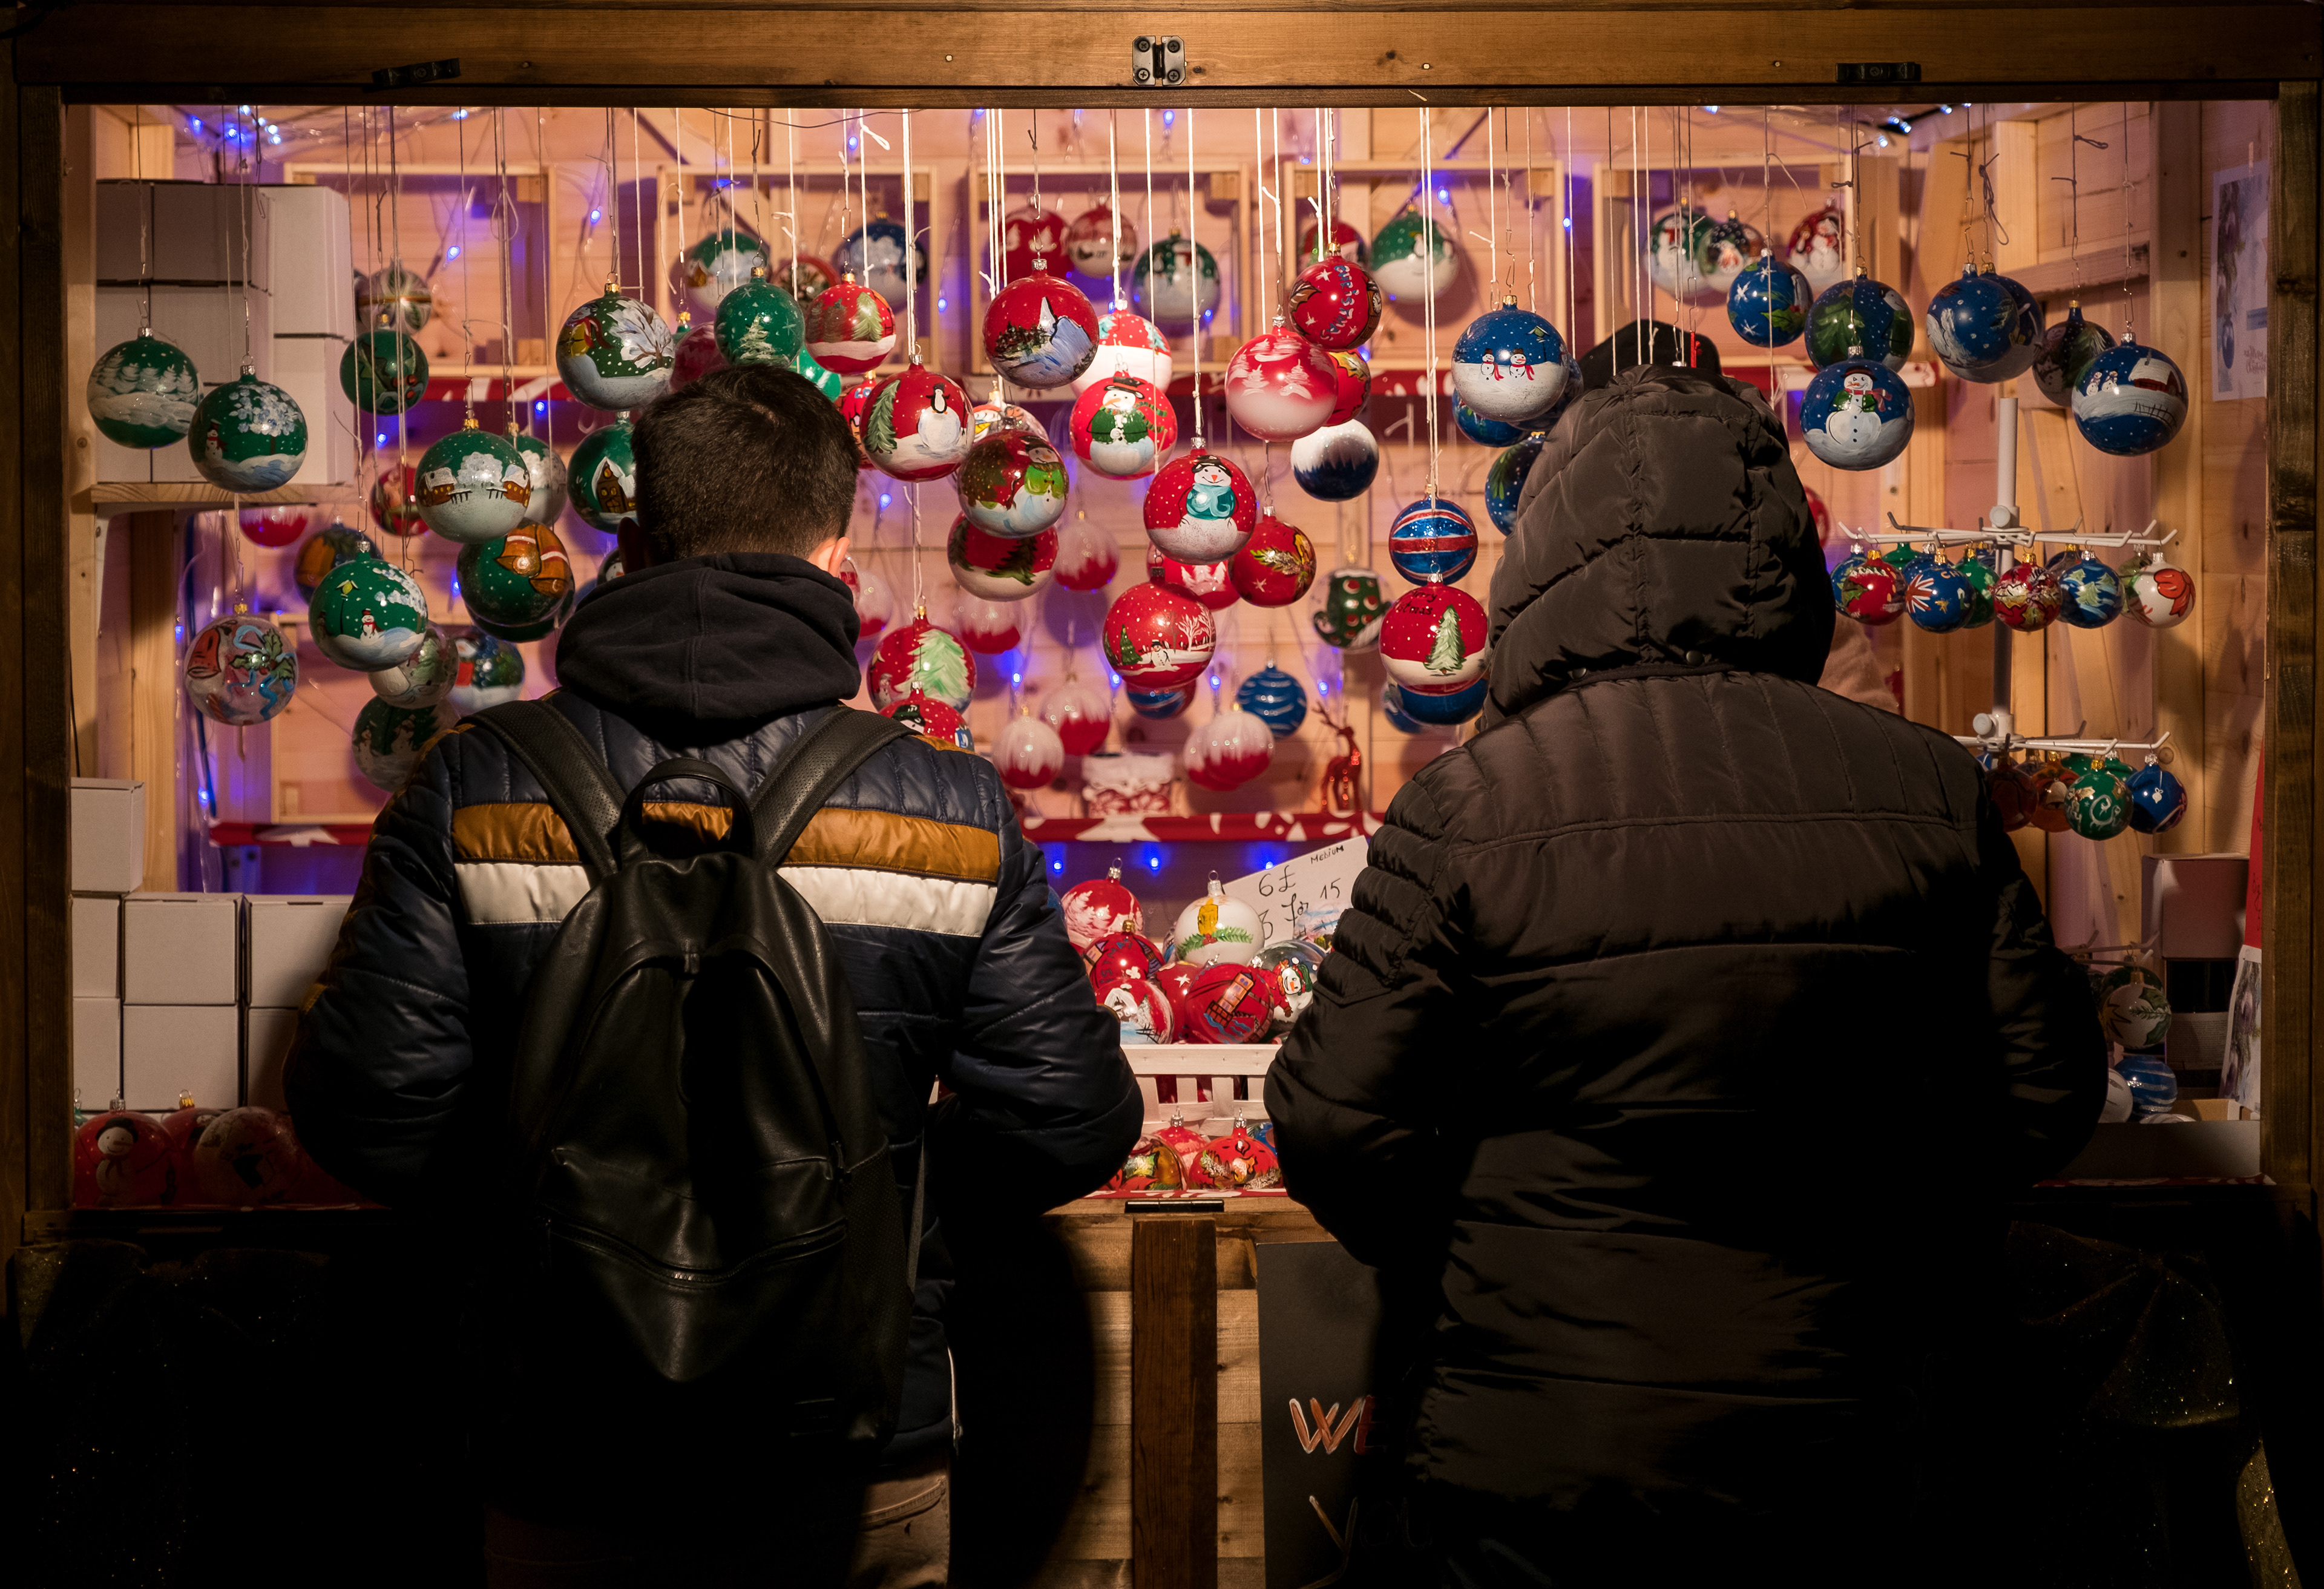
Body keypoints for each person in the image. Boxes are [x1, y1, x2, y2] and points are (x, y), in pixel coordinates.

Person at [285, 364, 1143, 1586]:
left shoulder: (473, 784)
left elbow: (367, 1106)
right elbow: (1070, 1116)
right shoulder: (948, 806)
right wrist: (878, 1192)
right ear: (836, 560)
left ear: (634, 540)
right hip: (851, 1435)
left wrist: (555, 1195)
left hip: (566, 1429)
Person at [1265, 364, 2106, 1585]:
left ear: (1543, 560)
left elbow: (1332, 1123)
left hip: (1544, 1445)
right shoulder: (1927, 788)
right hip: (1852, 1429)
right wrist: (1894, 1209)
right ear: (1784, 554)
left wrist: (1482, 1241)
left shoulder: (1471, 805)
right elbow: (2048, 1092)